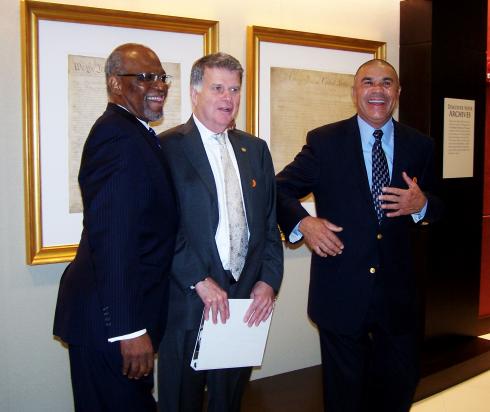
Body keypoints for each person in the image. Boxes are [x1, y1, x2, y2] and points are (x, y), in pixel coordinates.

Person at [275, 59, 443, 412]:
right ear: (355, 92)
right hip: (341, 293)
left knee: (396, 392)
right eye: (368, 82)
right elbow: (279, 190)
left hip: (400, 299)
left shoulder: (421, 145)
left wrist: (423, 203)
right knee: (344, 399)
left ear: (397, 93)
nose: (377, 90)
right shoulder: (324, 141)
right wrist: (305, 224)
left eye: (386, 83)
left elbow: (446, 205)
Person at [53, 43, 178, 411]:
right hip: (111, 325)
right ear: (115, 84)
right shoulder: (118, 137)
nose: (158, 85)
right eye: (143, 77)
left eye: (161, 76)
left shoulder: (134, 133)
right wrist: (129, 329)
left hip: (118, 318)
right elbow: (113, 239)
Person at [157, 52, 283, 412]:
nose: (228, 98)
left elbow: (269, 224)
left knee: (229, 402)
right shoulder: (168, 148)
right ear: (195, 92)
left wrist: (268, 280)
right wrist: (198, 278)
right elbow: (161, 227)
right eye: (217, 88)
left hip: (243, 301)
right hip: (189, 299)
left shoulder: (255, 150)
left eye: (234, 89)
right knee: (181, 400)